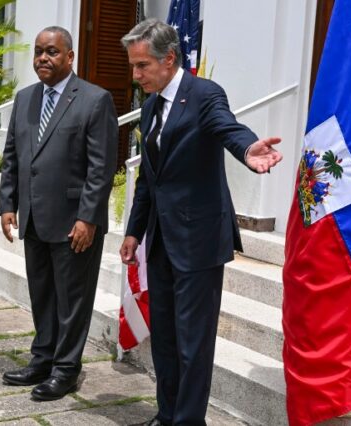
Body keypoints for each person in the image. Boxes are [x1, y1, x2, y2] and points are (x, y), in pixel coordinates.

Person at [118, 19, 282, 426]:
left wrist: (248, 150)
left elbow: (229, 128)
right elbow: (149, 178)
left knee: (194, 345)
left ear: (169, 59)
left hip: (197, 242)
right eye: (133, 66)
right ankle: (168, 414)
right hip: (159, 242)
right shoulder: (152, 105)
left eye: (142, 66)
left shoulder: (205, 94)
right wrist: (134, 231)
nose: (135, 76)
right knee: (167, 342)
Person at [0, 26, 118, 401]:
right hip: (34, 217)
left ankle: (66, 369)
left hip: (74, 222)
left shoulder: (95, 100)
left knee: (72, 300)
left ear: (70, 57)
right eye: (38, 52)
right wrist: (7, 204)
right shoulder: (25, 98)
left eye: (51, 52)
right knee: (43, 295)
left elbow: (102, 167)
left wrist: (89, 218)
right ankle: (43, 358)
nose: (42, 59)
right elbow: (13, 157)